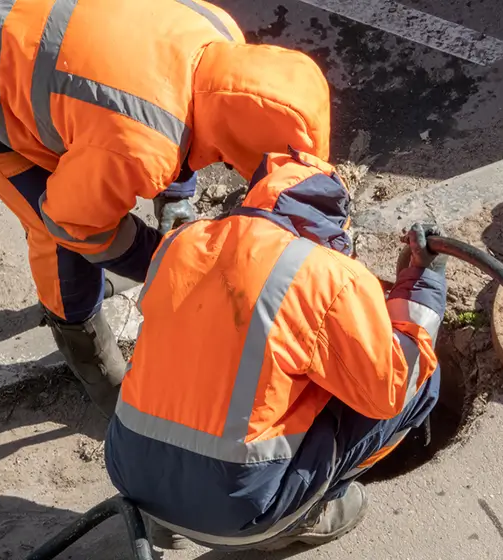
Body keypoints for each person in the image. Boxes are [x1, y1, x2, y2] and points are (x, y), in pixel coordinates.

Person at [0, 0, 330, 416]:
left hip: (34, 29)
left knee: (95, 172)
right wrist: (163, 261)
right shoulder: (139, 147)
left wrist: (176, 199)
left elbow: (180, 105)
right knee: (56, 230)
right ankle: (86, 348)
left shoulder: (218, 31)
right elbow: (72, 222)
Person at [104, 148, 447, 551]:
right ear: (334, 221)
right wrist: (421, 285)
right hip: (241, 509)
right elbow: (394, 384)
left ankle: (166, 521)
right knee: (421, 377)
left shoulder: (181, 244)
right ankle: (305, 516)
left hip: (132, 471)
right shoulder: (324, 275)